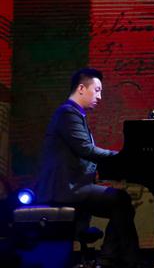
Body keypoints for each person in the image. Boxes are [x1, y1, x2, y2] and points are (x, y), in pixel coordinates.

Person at [35, 68, 140, 268]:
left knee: (121, 204)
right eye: (97, 90)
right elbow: (85, 149)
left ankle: (114, 259)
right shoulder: (67, 113)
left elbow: (83, 155)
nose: (99, 97)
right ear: (81, 88)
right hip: (64, 189)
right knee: (121, 201)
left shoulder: (74, 114)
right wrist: (121, 157)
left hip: (73, 186)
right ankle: (115, 259)